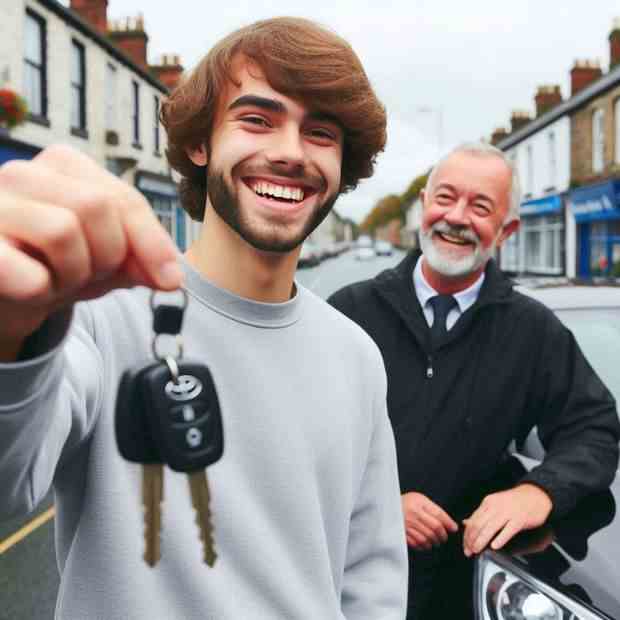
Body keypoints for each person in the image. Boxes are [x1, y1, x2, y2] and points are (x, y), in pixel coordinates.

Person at [0, 18, 408, 619]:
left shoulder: (356, 354)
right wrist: (14, 331)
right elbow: (11, 484)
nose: (290, 152)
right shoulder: (97, 315)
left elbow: (370, 573)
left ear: (342, 166)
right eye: (257, 119)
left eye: (320, 133)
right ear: (200, 143)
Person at [328, 142, 620, 619]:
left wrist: (539, 491)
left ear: (507, 230)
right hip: (348, 586)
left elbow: (594, 429)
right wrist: (376, 504)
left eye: (480, 207)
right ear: (424, 205)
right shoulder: (349, 313)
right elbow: (297, 438)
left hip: (462, 594)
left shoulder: (532, 331)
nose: (457, 217)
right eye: (445, 197)